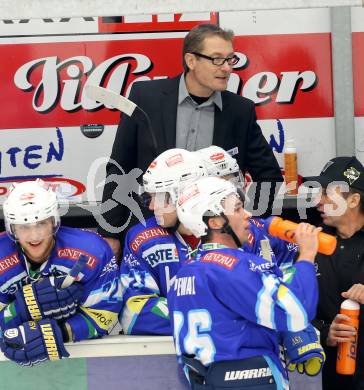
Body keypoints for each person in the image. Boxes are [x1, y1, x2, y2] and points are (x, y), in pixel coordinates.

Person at [98, 23, 283, 258]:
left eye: (230, 59)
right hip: (152, 236)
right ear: (191, 60)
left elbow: (269, 176)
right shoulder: (145, 97)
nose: (226, 68)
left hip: (212, 243)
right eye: (217, 59)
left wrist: (240, 219)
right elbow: (119, 168)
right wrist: (110, 232)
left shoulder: (240, 111)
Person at [168, 176, 320, 389]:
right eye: (238, 209)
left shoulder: (184, 272)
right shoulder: (238, 267)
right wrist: (307, 255)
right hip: (248, 380)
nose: (248, 214)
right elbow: (296, 312)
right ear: (215, 222)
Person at [0, 179, 121, 366]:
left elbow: (104, 315)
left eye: (40, 224)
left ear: (53, 221)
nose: (34, 236)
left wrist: (59, 333)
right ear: (12, 229)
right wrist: (21, 309)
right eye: (24, 227)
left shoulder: (92, 250)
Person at [119, 148, 206, 335]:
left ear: (184, 195)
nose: (150, 206)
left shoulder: (234, 234)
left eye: (158, 197)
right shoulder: (142, 238)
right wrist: (208, 317)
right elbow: (133, 313)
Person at [305, 156, 364, 389]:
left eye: (328, 193)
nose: (319, 201)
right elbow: (296, 312)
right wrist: (325, 334)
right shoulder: (310, 243)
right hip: (332, 378)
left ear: (353, 200)